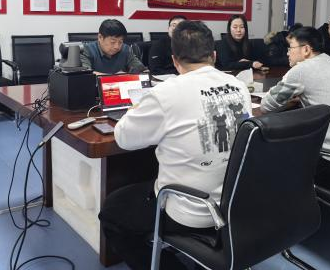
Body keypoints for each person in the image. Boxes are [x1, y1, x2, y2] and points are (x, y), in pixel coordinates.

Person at [99, 21, 253, 270]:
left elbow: (123, 137)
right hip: (234, 201)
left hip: (190, 211)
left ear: (175, 60)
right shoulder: (239, 86)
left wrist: (137, 108)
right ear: (214, 55)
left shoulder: (165, 93)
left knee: (112, 213)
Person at [260, 26, 330, 155]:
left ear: (306, 49)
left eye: (290, 48)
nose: (287, 53)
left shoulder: (300, 70)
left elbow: (266, 106)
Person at [80, 19, 146, 75]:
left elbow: (140, 69)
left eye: (120, 42)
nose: (117, 47)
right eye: (112, 42)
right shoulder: (87, 50)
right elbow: (86, 74)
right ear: (100, 37)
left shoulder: (126, 49)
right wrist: (115, 77)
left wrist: (136, 71)